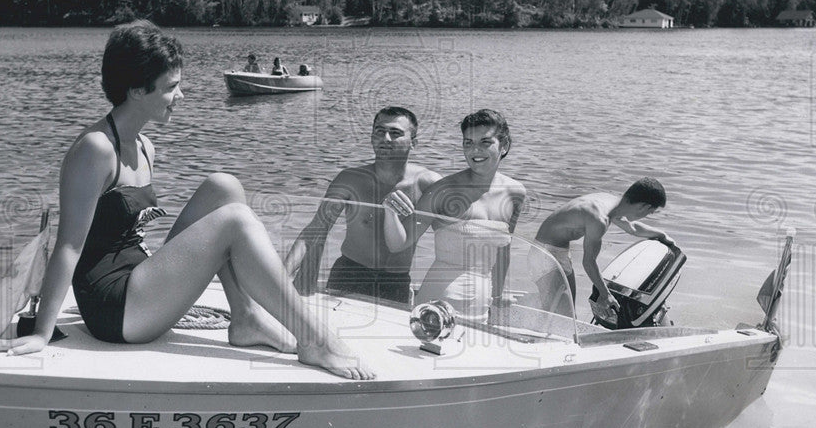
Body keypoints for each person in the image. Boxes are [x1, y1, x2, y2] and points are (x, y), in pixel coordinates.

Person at [0, 20, 373, 381]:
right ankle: (315, 340)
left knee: (224, 187)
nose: (181, 96)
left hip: (138, 279)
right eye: (171, 87)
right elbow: (67, 245)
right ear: (136, 90)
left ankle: (247, 317)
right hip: (114, 309)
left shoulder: (144, 145)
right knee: (234, 221)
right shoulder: (95, 149)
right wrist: (42, 333)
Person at [284, 107, 441, 305]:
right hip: (349, 275)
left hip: (396, 282)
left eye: (395, 133)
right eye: (379, 131)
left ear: (414, 143)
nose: (385, 138)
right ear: (371, 137)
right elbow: (316, 229)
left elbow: (453, 231)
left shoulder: (427, 184)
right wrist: (283, 276)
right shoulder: (350, 180)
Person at [382, 109, 526, 322]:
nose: (475, 150)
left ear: (503, 145)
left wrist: (497, 297)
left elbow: (503, 250)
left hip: (482, 303)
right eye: (468, 142)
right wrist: (389, 212)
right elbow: (398, 244)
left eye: (485, 142)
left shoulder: (515, 192)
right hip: (438, 304)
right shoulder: (443, 190)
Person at [532, 178, 675, 320]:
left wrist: (662, 235)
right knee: (562, 319)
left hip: (559, 253)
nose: (647, 216)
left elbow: (632, 228)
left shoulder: (610, 203)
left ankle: (539, 319)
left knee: (568, 317)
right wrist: (605, 294)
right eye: (650, 213)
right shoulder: (599, 219)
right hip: (544, 255)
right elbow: (588, 262)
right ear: (644, 206)